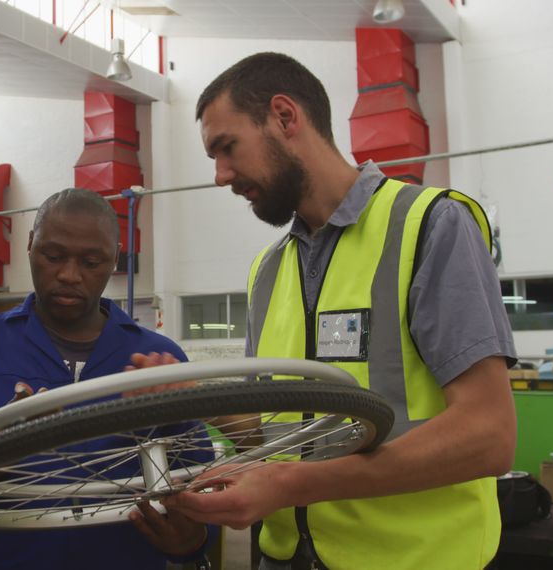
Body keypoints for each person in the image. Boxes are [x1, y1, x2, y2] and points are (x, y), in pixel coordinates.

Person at [159, 52, 518, 570]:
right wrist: (193, 399)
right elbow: (282, 437)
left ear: (285, 117)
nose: (220, 175)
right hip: (286, 559)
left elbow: (489, 436)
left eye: (227, 147)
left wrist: (291, 484)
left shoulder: (429, 226)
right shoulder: (268, 270)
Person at [0, 188, 214, 570]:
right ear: (31, 246)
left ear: (115, 258)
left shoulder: (159, 360)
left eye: (91, 261)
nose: (69, 275)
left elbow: (202, 480)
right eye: (53, 256)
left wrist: (191, 541)